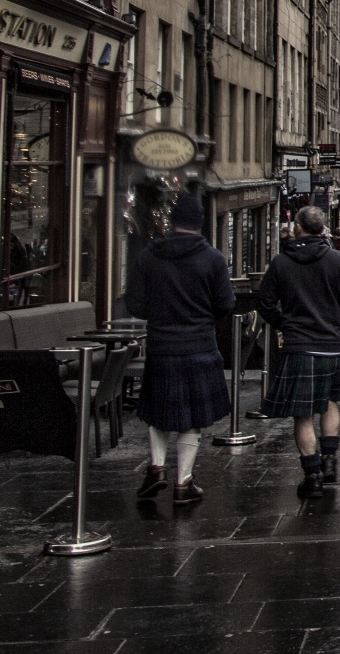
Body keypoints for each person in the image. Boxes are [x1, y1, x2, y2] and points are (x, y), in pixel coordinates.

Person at [125, 193, 235, 506]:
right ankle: (183, 482)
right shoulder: (213, 258)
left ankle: (157, 468)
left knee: (157, 410)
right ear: (200, 224)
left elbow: (134, 303)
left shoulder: (149, 255)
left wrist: (160, 316)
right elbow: (226, 303)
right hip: (200, 343)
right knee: (192, 417)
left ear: (171, 222)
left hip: (161, 344)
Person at [257, 206, 340, 499]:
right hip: (331, 343)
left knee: (302, 414)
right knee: (330, 401)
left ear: (298, 229)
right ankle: (329, 461)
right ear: (323, 230)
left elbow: (264, 303)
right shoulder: (338, 259)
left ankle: (313, 476)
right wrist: (339, 322)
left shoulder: (281, 262)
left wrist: (285, 323)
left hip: (298, 344)